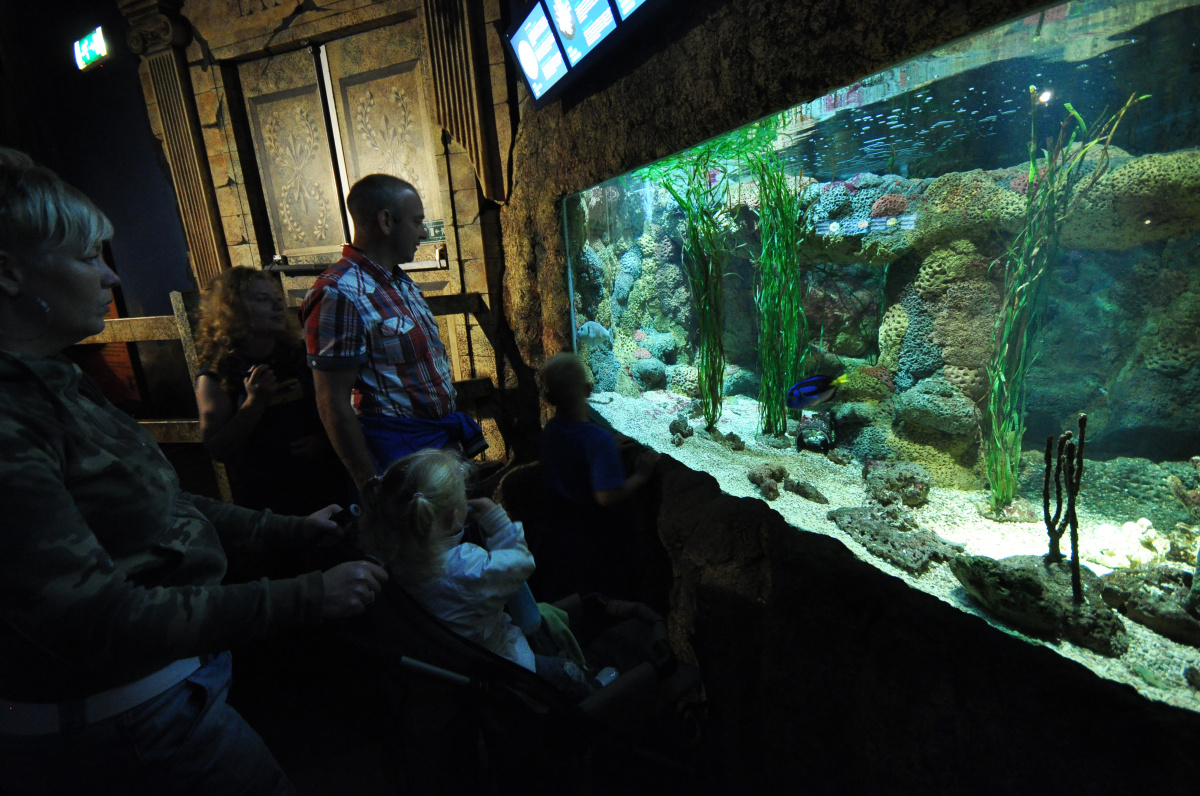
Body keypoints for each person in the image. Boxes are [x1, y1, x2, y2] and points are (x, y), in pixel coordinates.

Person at [0, 148, 388, 795]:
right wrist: (308, 595)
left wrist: (288, 532)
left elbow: (167, 503)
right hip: (132, 723)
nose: (107, 277)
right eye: (86, 257)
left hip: (166, 696)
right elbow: (99, 622)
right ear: (9, 274)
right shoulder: (11, 420)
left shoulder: (54, 377)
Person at [300, 174, 486, 493]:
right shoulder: (338, 294)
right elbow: (332, 401)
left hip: (435, 445)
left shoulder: (400, 283)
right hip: (398, 455)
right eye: (417, 222)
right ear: (385, 221)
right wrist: (371, 484)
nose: (424, 233)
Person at [358, 448, 590, 699]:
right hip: (506, 665)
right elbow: (520, 564)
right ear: (453, 518)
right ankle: (597, 693)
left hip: (458, 661)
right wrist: (496, 520)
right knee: (570, 674)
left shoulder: (394, 558)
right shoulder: (466, 567)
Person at [195, 266, 346, 516]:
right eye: (262, 300)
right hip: (268, 500)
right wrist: (255, 402)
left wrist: (323, 439)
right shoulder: (218, 372)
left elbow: (337, 407)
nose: (277, 307)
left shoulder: (301, 354)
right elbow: (218, 448)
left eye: (277, 299)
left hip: (323, 483)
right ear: (234, 310)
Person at [536, 352, 660, 601]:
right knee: (596, 595)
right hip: (591, 538)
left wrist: (602, 445)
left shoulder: (550, 429)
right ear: (589, 389)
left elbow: (572, 452)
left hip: (555, 533)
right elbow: (606, 497)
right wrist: (641, 475)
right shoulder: (597, 440)